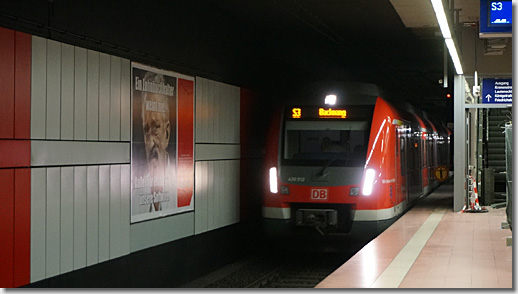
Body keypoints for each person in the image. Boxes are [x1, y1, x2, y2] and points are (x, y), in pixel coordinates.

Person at [140, 72, 175, 212]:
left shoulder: (184, 192)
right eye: (146, 130)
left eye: (155, 128)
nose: (150, 142)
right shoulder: (135, 196)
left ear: (166, 133)